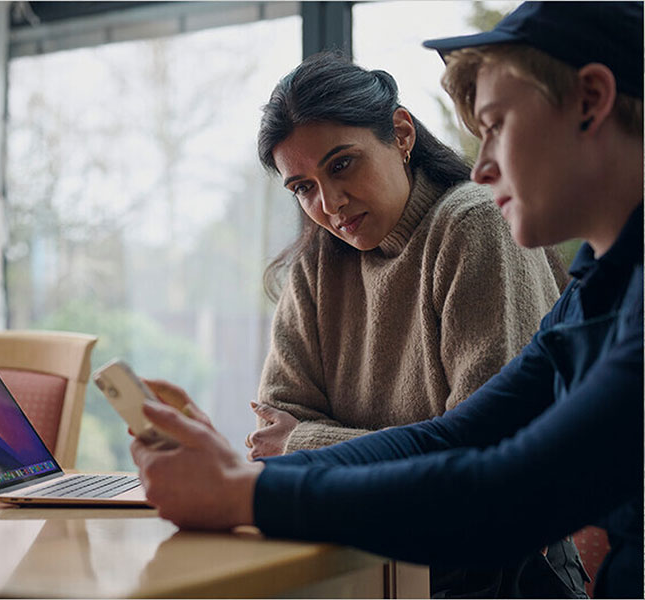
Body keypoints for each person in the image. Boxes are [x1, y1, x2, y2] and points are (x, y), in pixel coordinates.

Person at [130, 3, 643, 598]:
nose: (481, 168)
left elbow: (504, 491)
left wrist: (249, 490)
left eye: (496, 125)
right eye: (303, 188)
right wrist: (242, 471)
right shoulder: (597, 287)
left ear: (591, 100)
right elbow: (453, 437)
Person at [246, 52, 566, 463]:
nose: (330, 204)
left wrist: (310, 442)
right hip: (367, 509)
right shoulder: (318, 265)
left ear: (401, 135)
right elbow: (272, 434)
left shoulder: (475, 224)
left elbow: (490, 449)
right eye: (303, 188)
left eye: (341, 165)